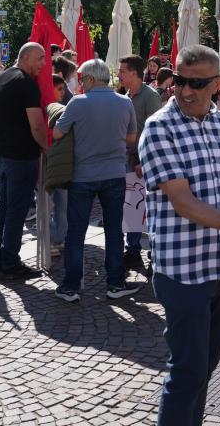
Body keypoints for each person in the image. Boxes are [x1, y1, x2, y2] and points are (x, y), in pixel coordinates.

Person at [139, 45, 220, 426]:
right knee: (187, 371)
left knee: (206, 366)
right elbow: (184, 203)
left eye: (197, 84)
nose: (185, 91)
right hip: (182, 270)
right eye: (180, 81)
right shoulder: (159, 127)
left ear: (217, 84)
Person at [52, 59, 139, 302]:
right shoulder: (125, 102)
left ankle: (71, 286)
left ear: (90, 79)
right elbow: (132, 137)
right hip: (115, 173)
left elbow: (57, 133)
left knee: (76, 232)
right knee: (114, 231)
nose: (80, 83)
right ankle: (116, 283)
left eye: (82, 79)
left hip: (83, 175)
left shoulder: (78, 102)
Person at [0, 43, 48, 280]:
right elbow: (37, 124)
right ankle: (10, 262)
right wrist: (47, 148)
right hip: (22, 156)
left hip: (2, 153)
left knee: (5, 207)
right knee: (16, 211)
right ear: (26, 57)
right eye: (40, 58)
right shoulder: (26, 83)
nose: (43, 64)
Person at [119, 54, 163, 268]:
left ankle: (155, 253)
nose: (119, 75)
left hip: (144, 159)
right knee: (132, 206)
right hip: (129, 157)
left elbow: (156, 131)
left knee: (151, 207)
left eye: (122, 71)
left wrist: (145, 161)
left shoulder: (150, 96)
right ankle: (133, 250)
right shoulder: (126, 95)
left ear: (134, 73)